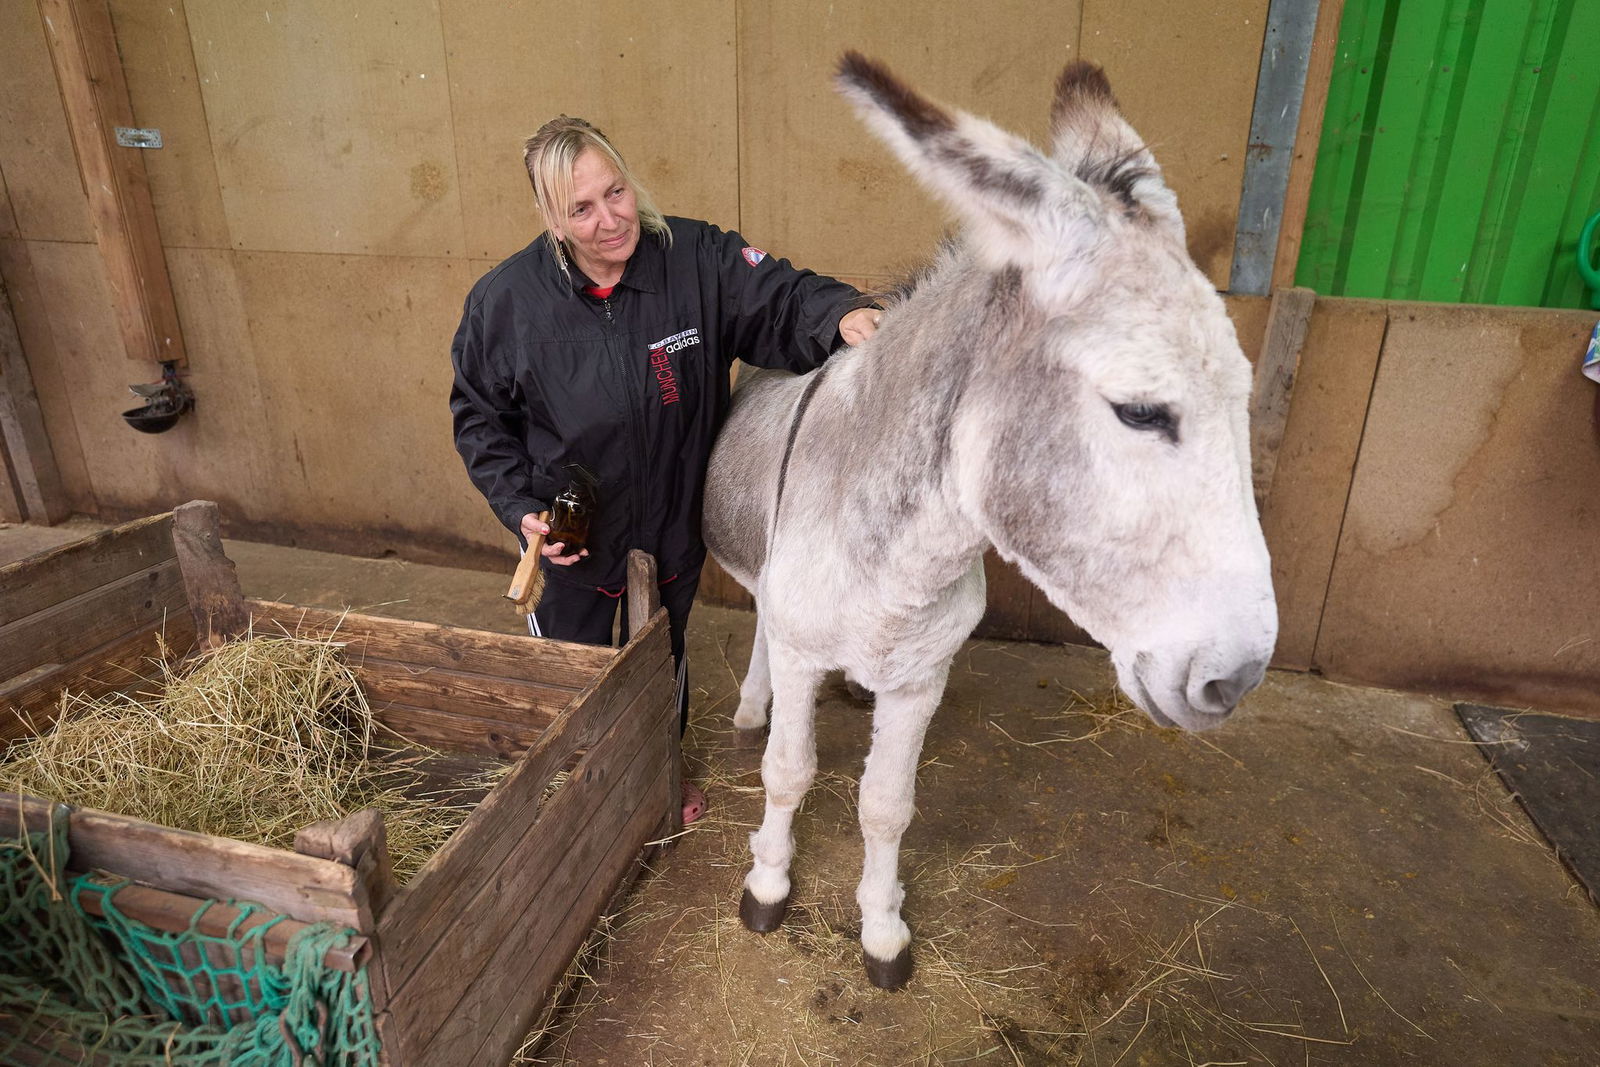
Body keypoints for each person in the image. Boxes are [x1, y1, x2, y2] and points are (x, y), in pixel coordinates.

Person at [449, 116, 881, 824]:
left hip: (671, 520)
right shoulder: (506, 304)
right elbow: (478, 416)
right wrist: (518, 503)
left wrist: (842, 314)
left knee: (664, 656)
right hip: (573, 534)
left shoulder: (694, 259)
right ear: (551, 220)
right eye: (580, 209)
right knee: (575, 672)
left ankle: (656, 773)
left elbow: (780, 295)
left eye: (614, 192)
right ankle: (580, 798)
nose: (610, 219)